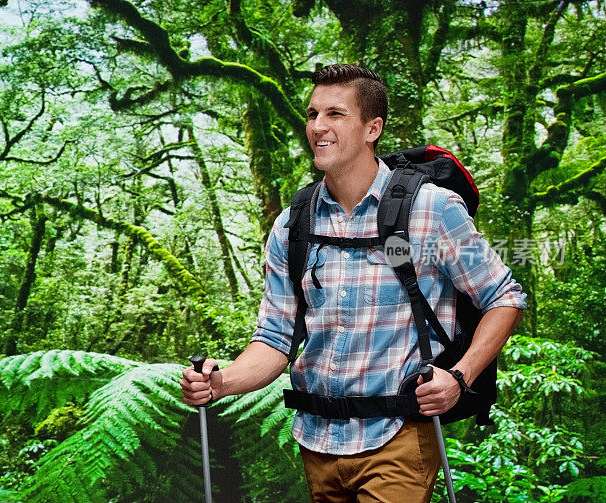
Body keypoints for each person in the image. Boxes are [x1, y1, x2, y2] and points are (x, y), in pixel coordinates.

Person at [180, 64, 526, 502]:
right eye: (312, 114)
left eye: (335, 114)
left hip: (398, 437)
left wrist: (459, 376)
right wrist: (221, 382)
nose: (318, 127)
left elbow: (504, 296)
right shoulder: (294, 224)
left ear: (372, 128)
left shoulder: (432, 210)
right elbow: (275, 338)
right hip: (316, 442)